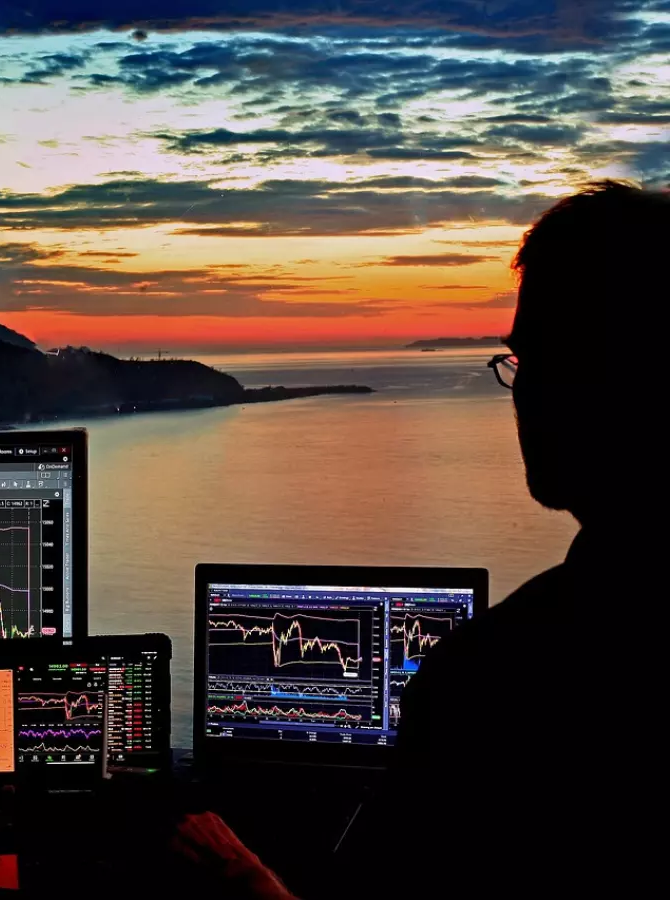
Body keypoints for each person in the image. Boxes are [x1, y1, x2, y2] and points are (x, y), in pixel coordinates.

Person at [174, 180, 669, 898]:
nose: (523, 392)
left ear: (619, 372)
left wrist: (235, 870)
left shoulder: (499, 679)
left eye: (540, 358)